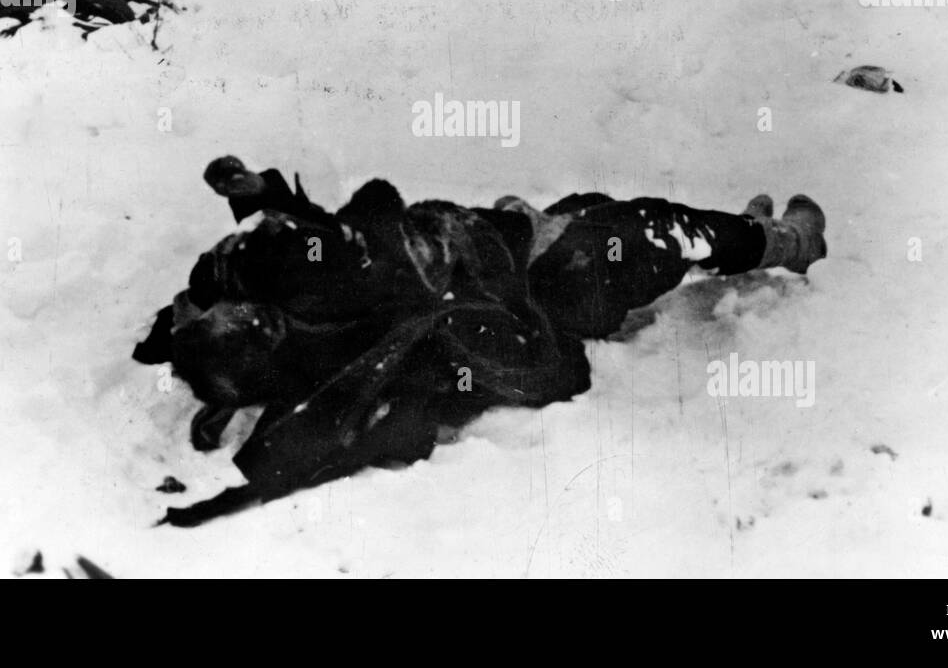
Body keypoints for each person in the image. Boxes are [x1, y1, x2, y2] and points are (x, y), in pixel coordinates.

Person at [137, 156, 827, 525]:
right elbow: (544, 366)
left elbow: (328, 250)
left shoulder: (290, 283)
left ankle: (731, 234)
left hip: (491, 239)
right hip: (528, 284)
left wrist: (265, 198)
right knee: (637, 233)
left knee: (596, 212)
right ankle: (784, 241)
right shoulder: (357, 333)